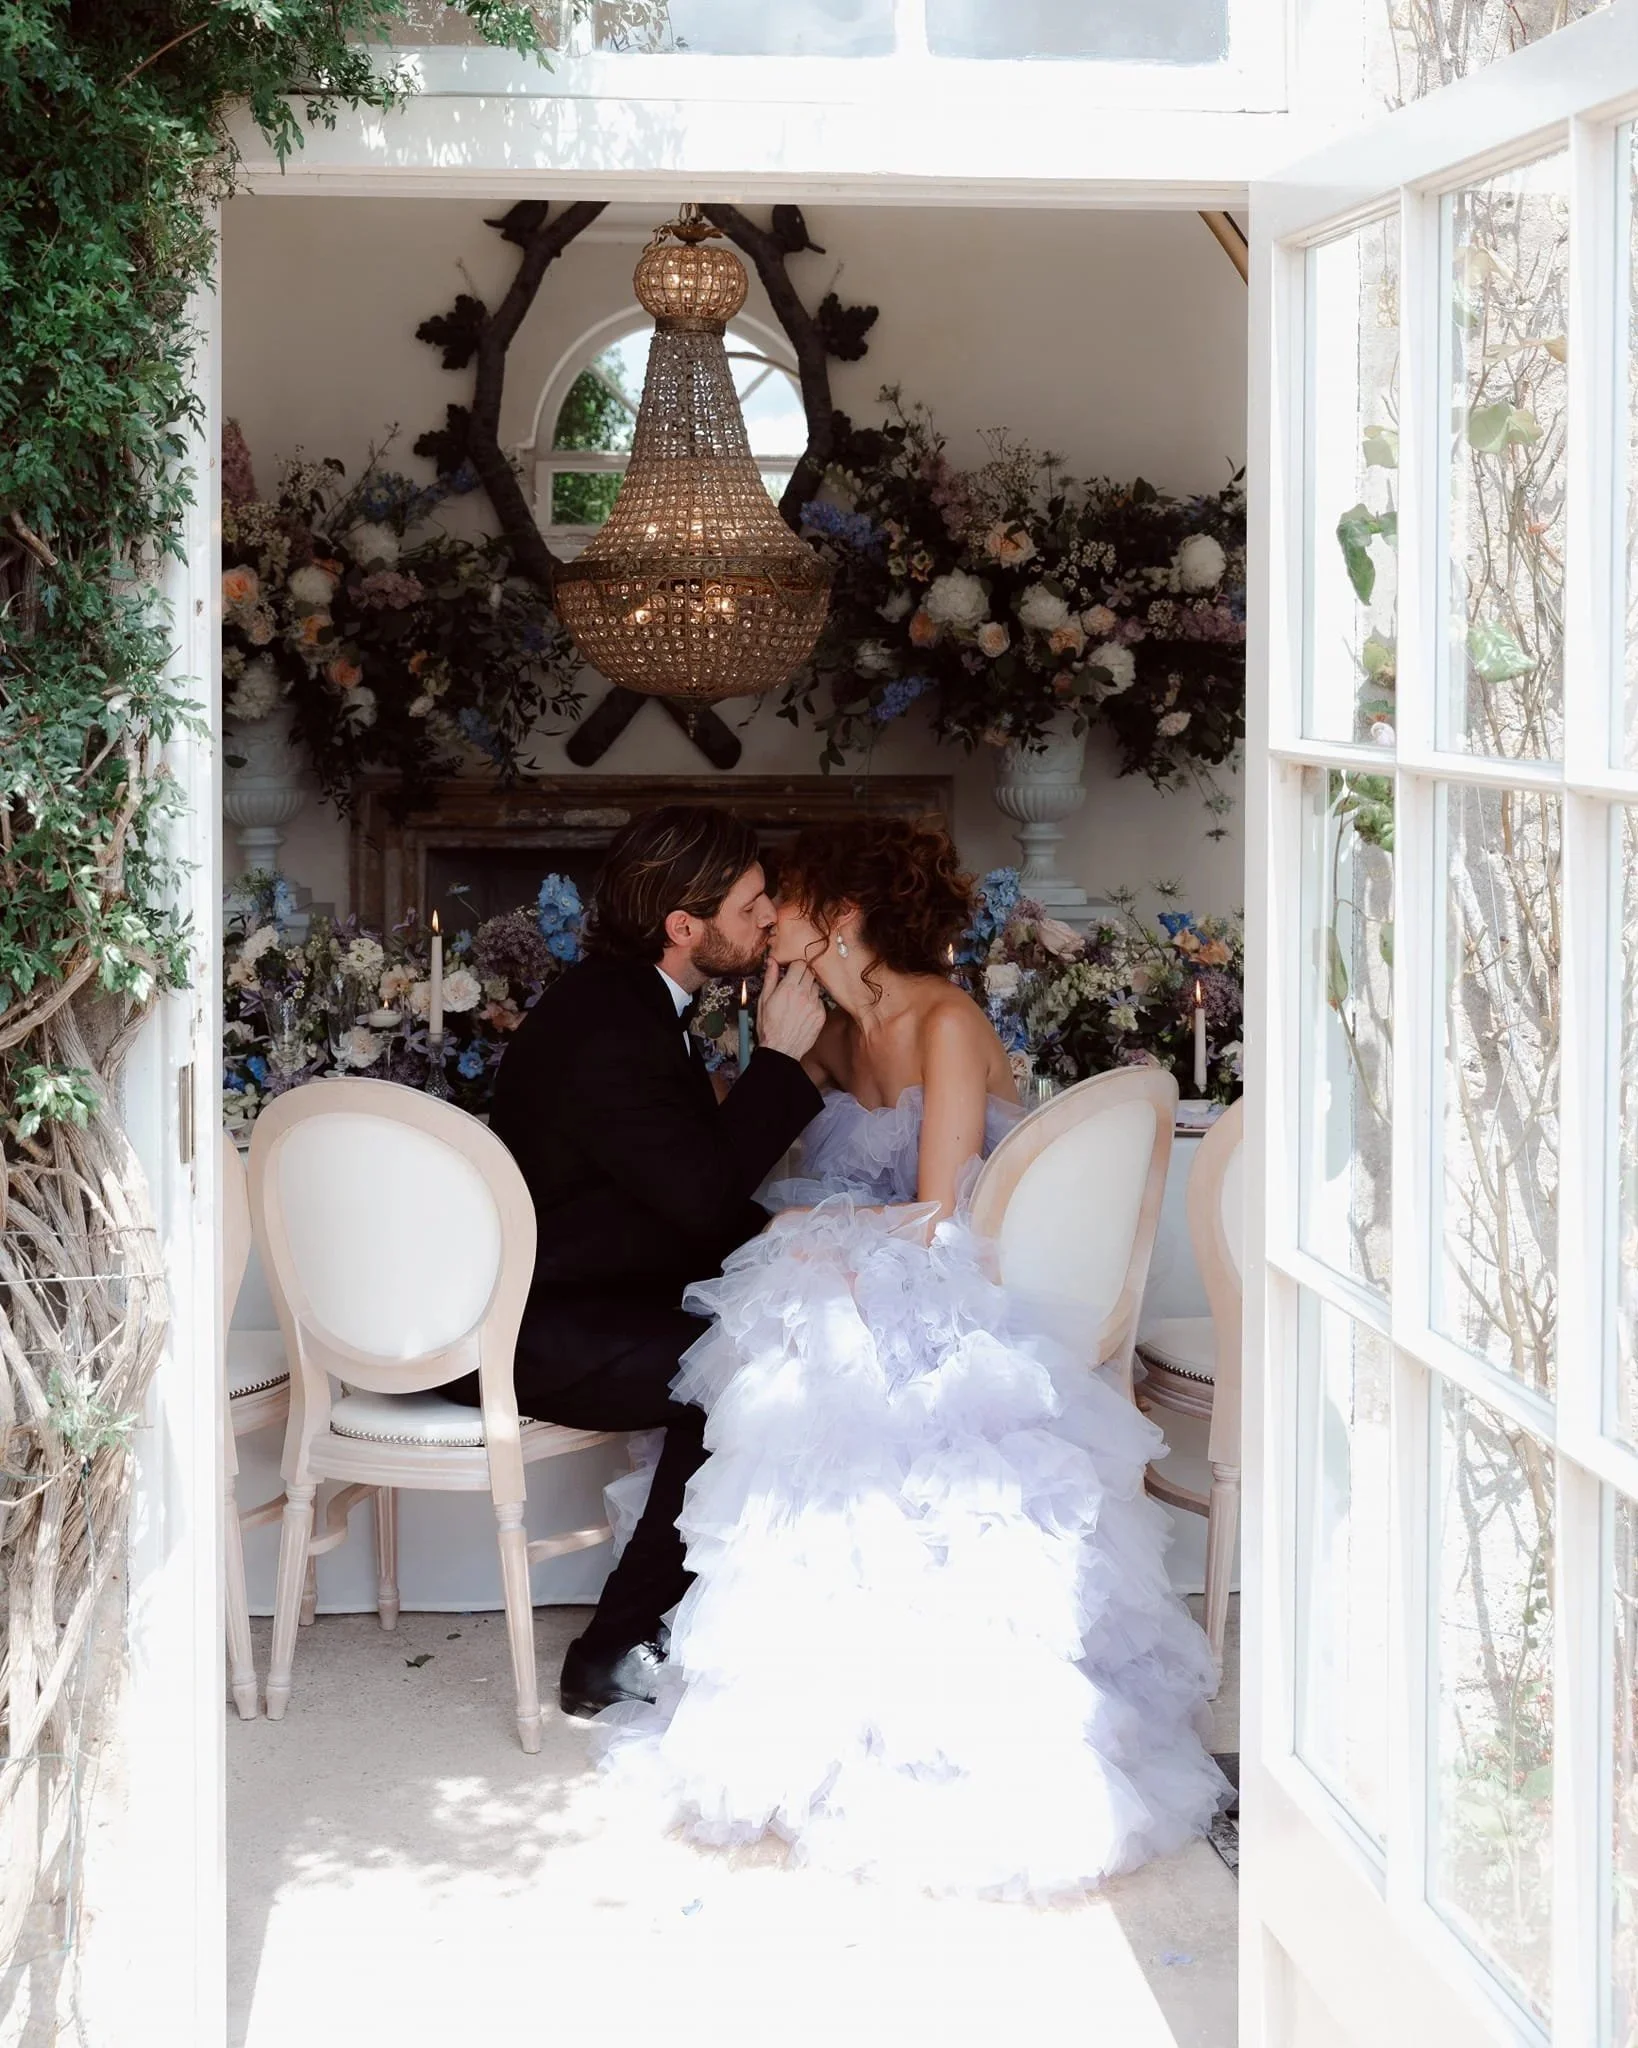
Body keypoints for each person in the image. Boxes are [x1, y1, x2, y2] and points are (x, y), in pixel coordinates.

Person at [594, 814, 1228, 1899]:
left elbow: (939, 1216)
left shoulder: (942, 1017)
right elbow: (779, 1175)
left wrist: (805, 1239)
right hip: (864, 1261)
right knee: (788, 1337)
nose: (765, 917)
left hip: (964, 1274)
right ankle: (799, 1688)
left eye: (781, 896)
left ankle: (937, 1691)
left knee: (828, 1336)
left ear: (837, 914)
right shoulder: (819, 1035)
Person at [442, 805, 826, 1718]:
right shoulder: (611, 1022)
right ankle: (617, 1650)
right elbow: (697, 1198)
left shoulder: (630, 1003)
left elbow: (678, 1192)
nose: (770, 920)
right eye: (752, 905)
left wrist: (781, 1236)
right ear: (684, 927)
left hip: (589, 1295)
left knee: (777, 1328)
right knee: (737, 1371)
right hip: (528, 1329)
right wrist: (779, 1059)